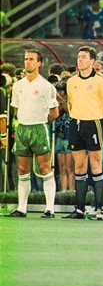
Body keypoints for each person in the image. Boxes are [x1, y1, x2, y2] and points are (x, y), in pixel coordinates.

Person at [63, 46, 103, 219]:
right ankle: (80, 209)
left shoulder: (101, 81)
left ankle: (99, 208)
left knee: (96, 165)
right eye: (79, 57)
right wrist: (75, 118)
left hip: (94, 123)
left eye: (84, 57)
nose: (80, 60)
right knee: (79, 166)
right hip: (76, 123)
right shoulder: (71, 81)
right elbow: (69, 103)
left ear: (92, 61)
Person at [7, 50, 59, 218]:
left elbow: (55, 112)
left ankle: (49, 209)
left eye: (31, 59)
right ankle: (22, 208)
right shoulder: (18, 85)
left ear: (39, 63)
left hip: (39, 128)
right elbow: (16, 109)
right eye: (26, 59)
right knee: (22, 170)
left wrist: (42, 121)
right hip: (22, 129)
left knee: (45, 168)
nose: (27, 62)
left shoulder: (46, 86)